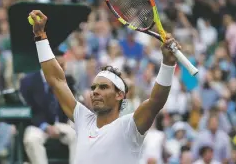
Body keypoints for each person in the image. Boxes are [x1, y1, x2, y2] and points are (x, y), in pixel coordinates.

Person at [28, 10, 181, 164]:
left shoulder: (129, 127)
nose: (95, 92)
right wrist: (40, 36)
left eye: (103, 87)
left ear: (119, 95)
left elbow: (155, 101)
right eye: (94, 88)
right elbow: (56, 80)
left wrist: (168, 64)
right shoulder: (83, 119)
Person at [22, 49, 77, 164]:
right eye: (61, 65)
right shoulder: (28, 81)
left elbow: (72, 107)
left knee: (79, 135)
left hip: (61, 124)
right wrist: (45, 126)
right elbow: (28, 110)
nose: (64, 68)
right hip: (38, 125)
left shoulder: (68, 80)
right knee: (31, 139)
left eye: (64, 65)